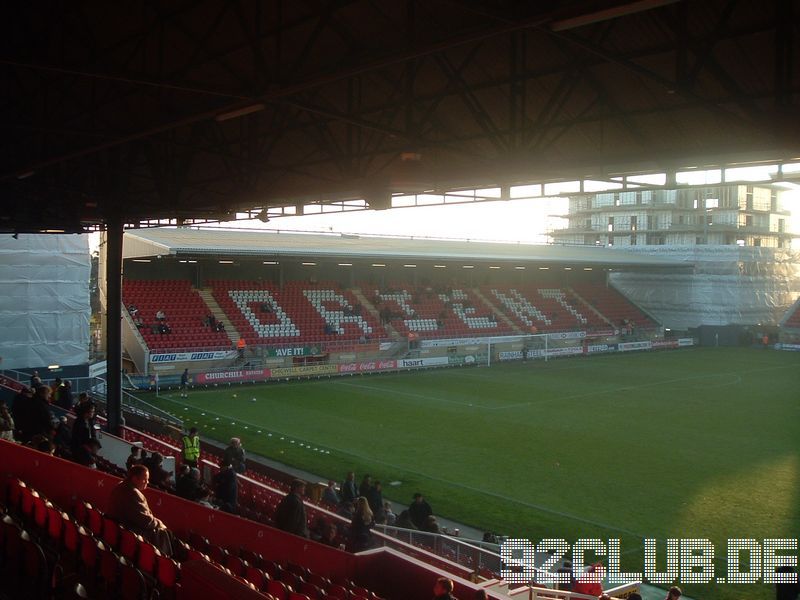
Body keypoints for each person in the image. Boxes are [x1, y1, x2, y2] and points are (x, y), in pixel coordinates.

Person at [108, 465, 173, 556]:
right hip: (130, 531)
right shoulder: (133, 493)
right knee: (164, 533)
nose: (147, 482)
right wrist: (160, 523)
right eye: (145, 479)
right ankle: (164, 561)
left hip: (120, 527)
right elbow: (145, 521)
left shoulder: (120, 486)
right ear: (135, 479)